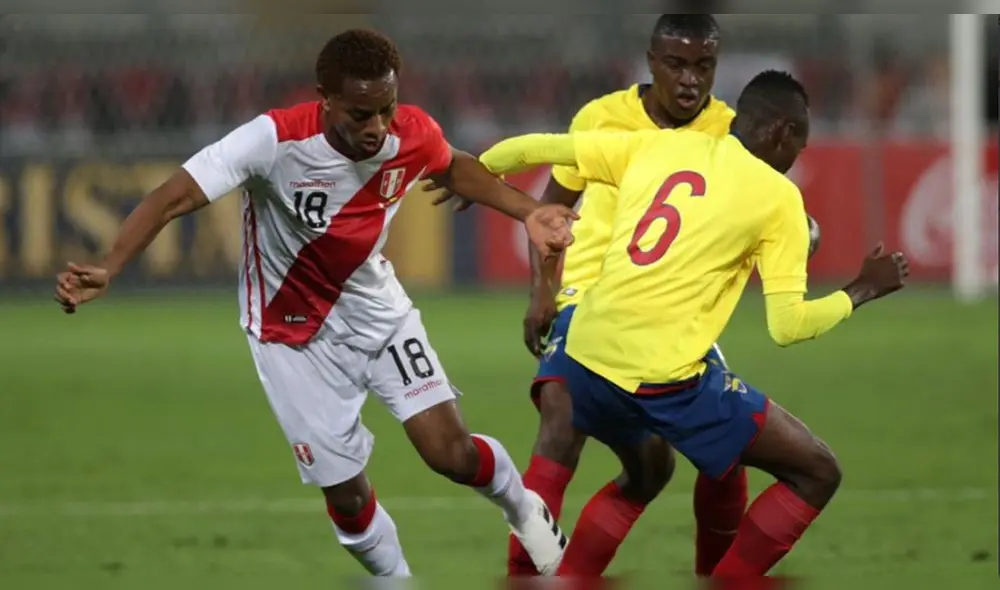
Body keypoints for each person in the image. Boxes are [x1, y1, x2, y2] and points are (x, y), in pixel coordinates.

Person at [52, 29, 576, 578]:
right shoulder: (271, 139)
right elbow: (172, 196)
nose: (376, 127)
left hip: (380, 316)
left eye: (386, 110)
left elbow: (449, 163)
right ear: (325, 99)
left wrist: (526, 211)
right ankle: (395, 579)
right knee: (348, 497)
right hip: (289, 339)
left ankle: (523, 508)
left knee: (451, 454)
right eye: (360, 114)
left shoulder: (409, 132)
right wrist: (111, 263)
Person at [477, 70, 909, 577]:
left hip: (585, 357)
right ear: (781, 134)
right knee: (816, 471)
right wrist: (862, 290)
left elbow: (533, 147)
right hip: (661, 379)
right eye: (800, 146)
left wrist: (468, 173)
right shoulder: (778, 198)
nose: (797, 161)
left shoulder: (658, 147)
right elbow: (788, 326)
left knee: (643, 477)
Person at [437, 14, 758, 578]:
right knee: (561, 428)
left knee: (703, 463)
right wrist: (544, 293)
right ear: (652, 62)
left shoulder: (730, 131)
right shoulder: (603, 117)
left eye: (702, 66)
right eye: (677, 65)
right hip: (587, 297)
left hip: (670, 315)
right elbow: (549, 211)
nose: (690, 80)